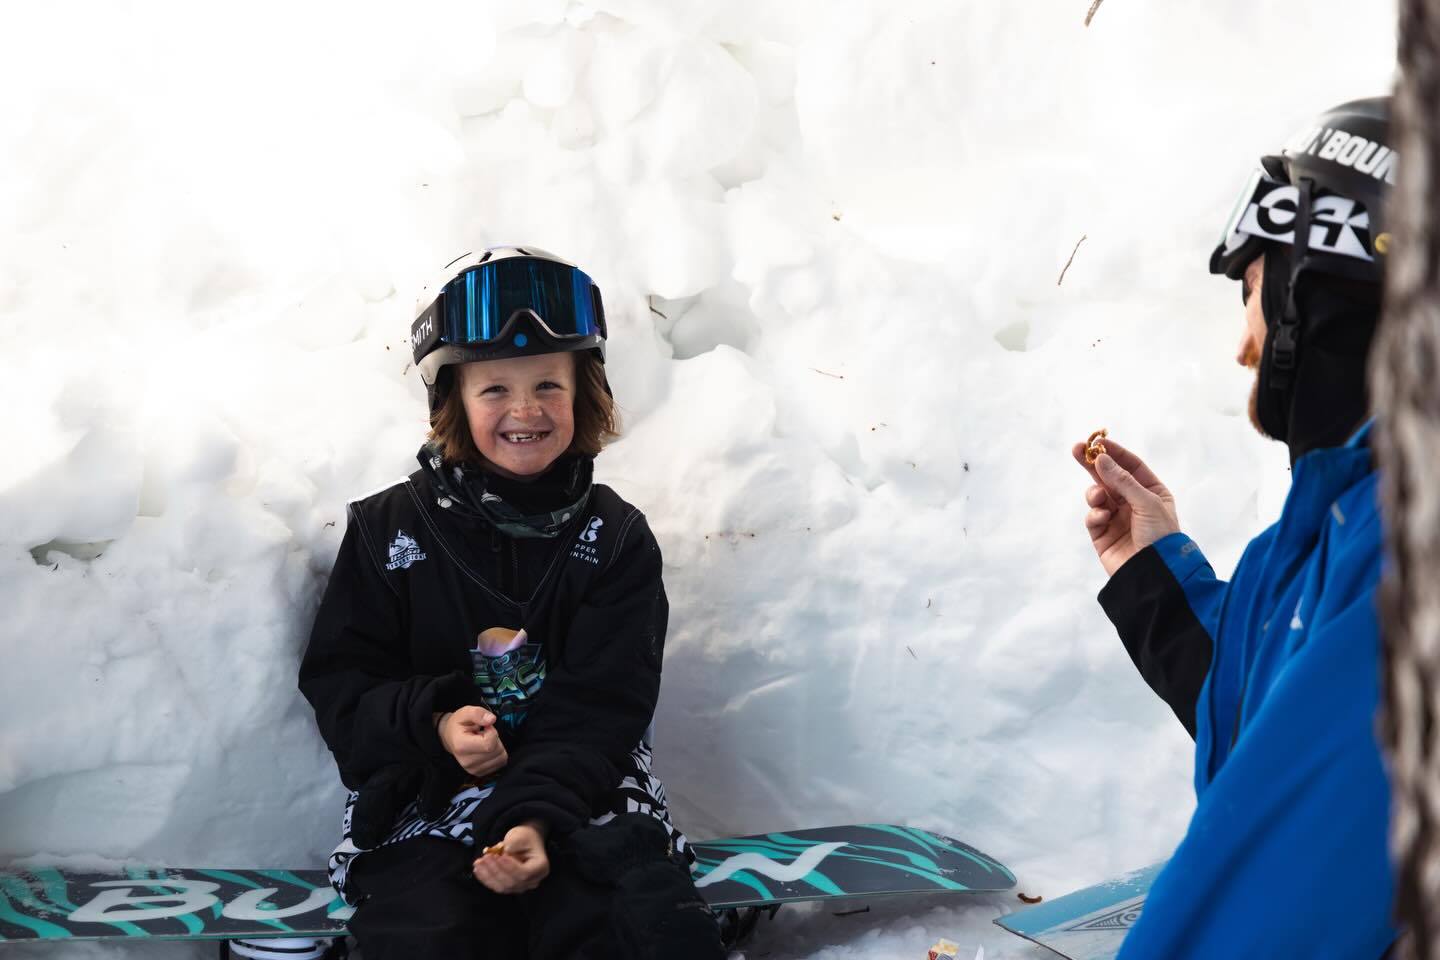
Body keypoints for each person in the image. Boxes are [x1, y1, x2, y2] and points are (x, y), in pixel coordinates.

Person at [298, 246, 725, 959]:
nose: (525, 409)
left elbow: (603, 707)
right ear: (452, 402)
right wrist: (436, 724)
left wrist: (533, 821)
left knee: (635, 912)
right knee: (436, 925)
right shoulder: (386, 531)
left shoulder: (616, 539)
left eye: (548, 384)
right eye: (494, 388)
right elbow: (344, 692)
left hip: (584, 782)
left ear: (583, 393)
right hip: (428, 793)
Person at [1072, 98, 1400, 956]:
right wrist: (1151, 570)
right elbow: (1277, 718)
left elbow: (1283, 896)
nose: (1244, 344)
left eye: (1253, 293)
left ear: (1312, 300)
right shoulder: (1342, 525)